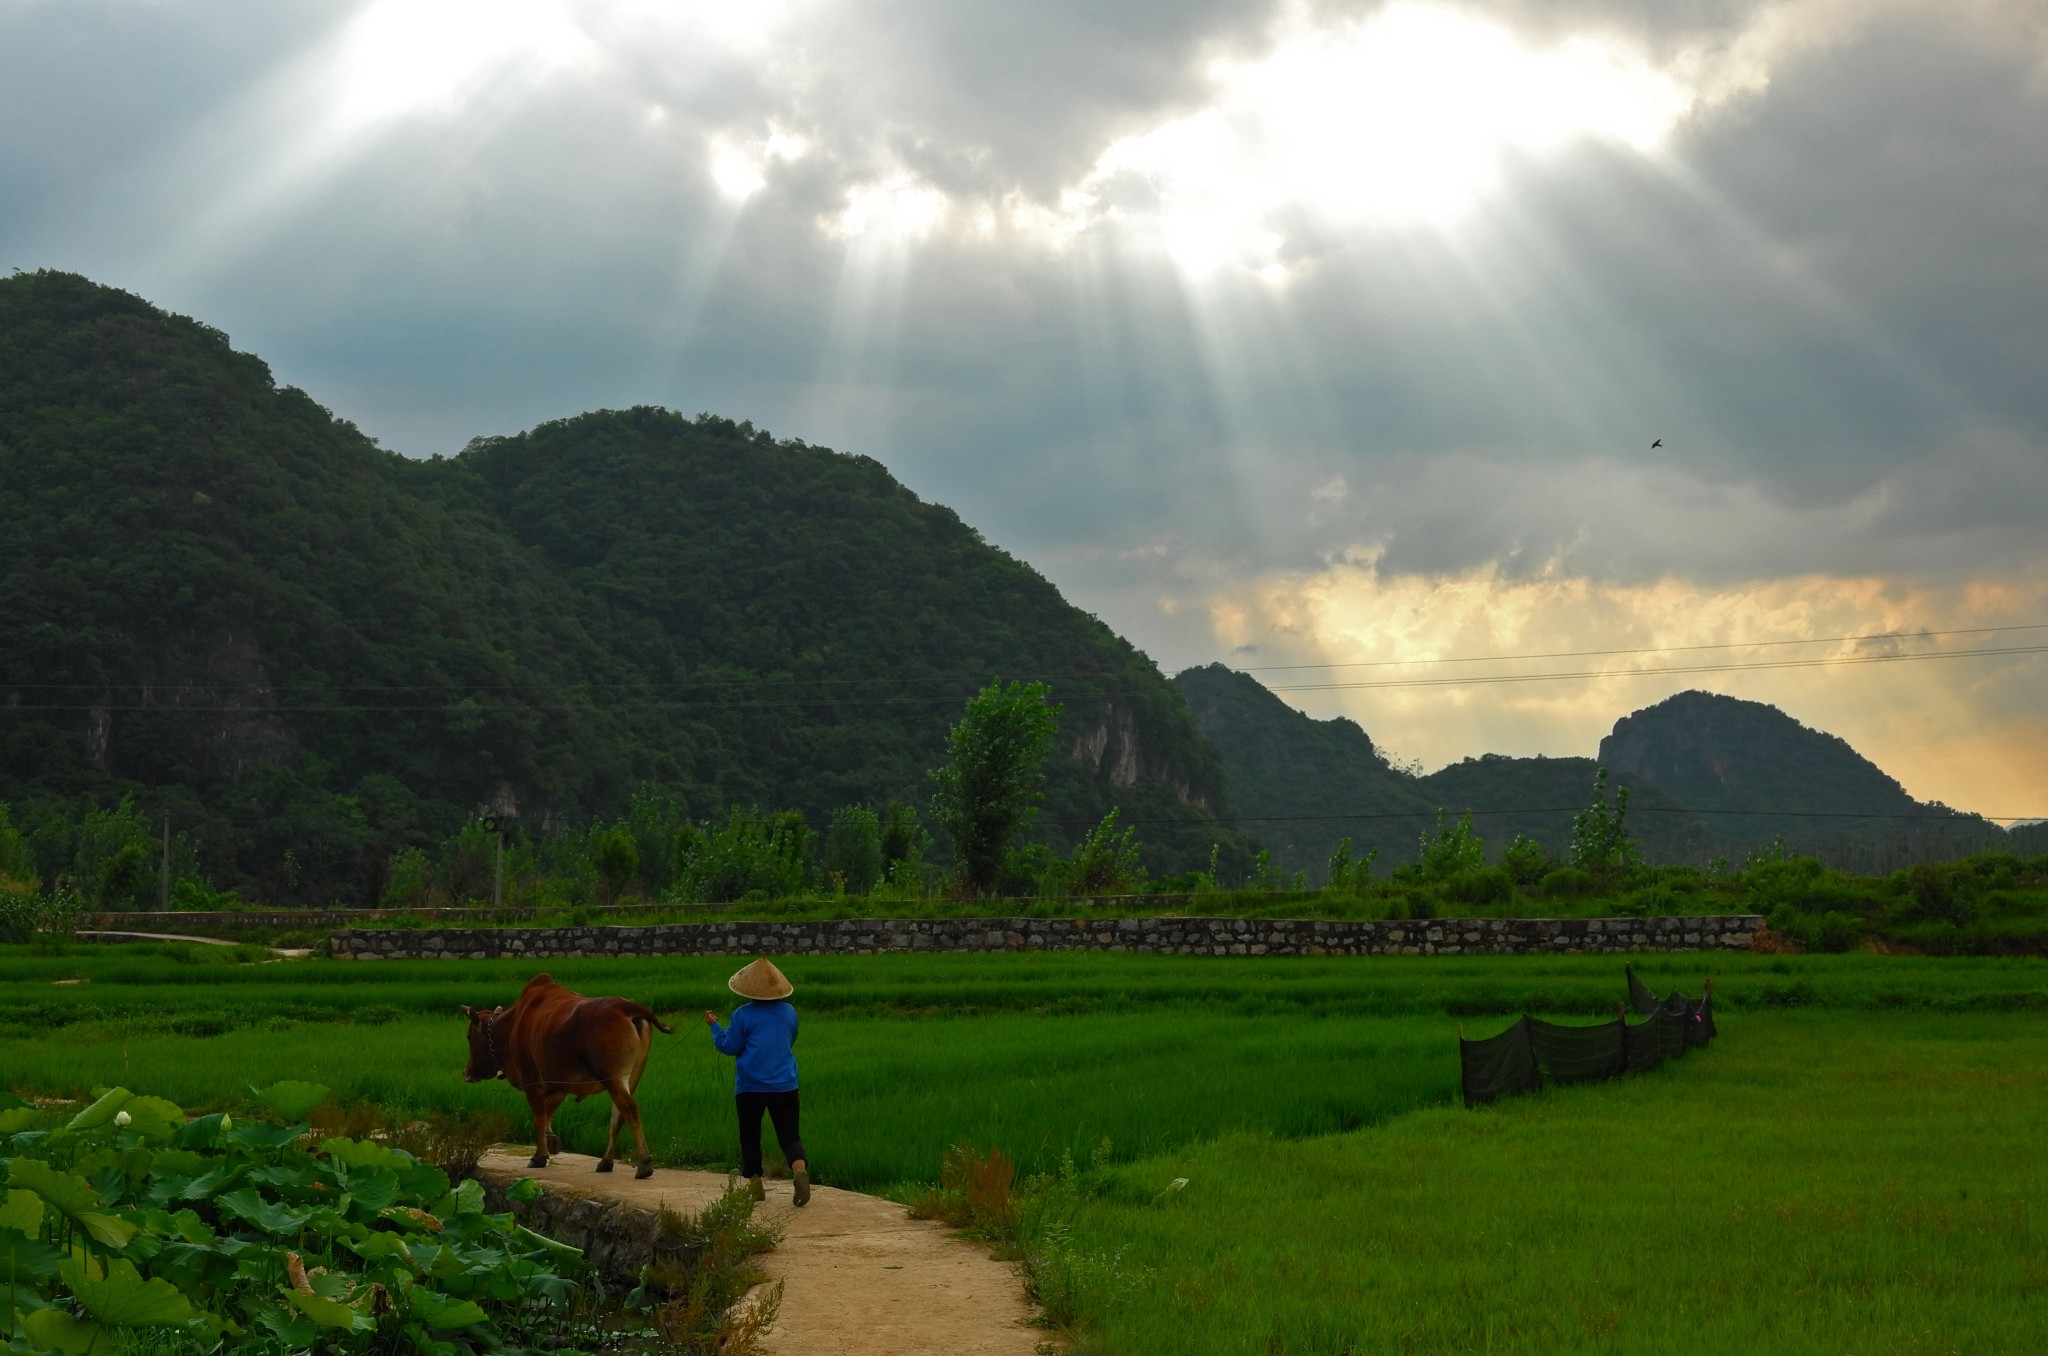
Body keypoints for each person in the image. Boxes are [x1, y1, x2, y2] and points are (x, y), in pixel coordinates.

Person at [704, 957, 810, 1206]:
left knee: (750, 1137)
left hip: (750, 1087)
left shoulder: (743, 1014)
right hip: (785, 1085)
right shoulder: (789, 1012)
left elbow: (729, 1046)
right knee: (790, 1137)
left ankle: (756, 1188)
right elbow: (789, 1039)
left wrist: (714, 1026)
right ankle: (799, 1171)